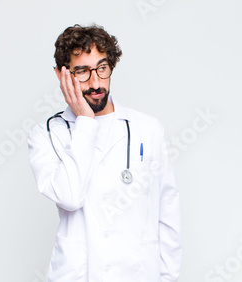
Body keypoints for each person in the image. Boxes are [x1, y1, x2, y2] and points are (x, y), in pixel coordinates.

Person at [27, 24, 182, 282]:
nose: (96, 82)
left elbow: (168, 216)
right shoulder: (47, 134)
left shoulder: (148, 129)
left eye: (101, 68)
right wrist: (86, 122)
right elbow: (70, 197)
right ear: (61, 75)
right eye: (82, 72)